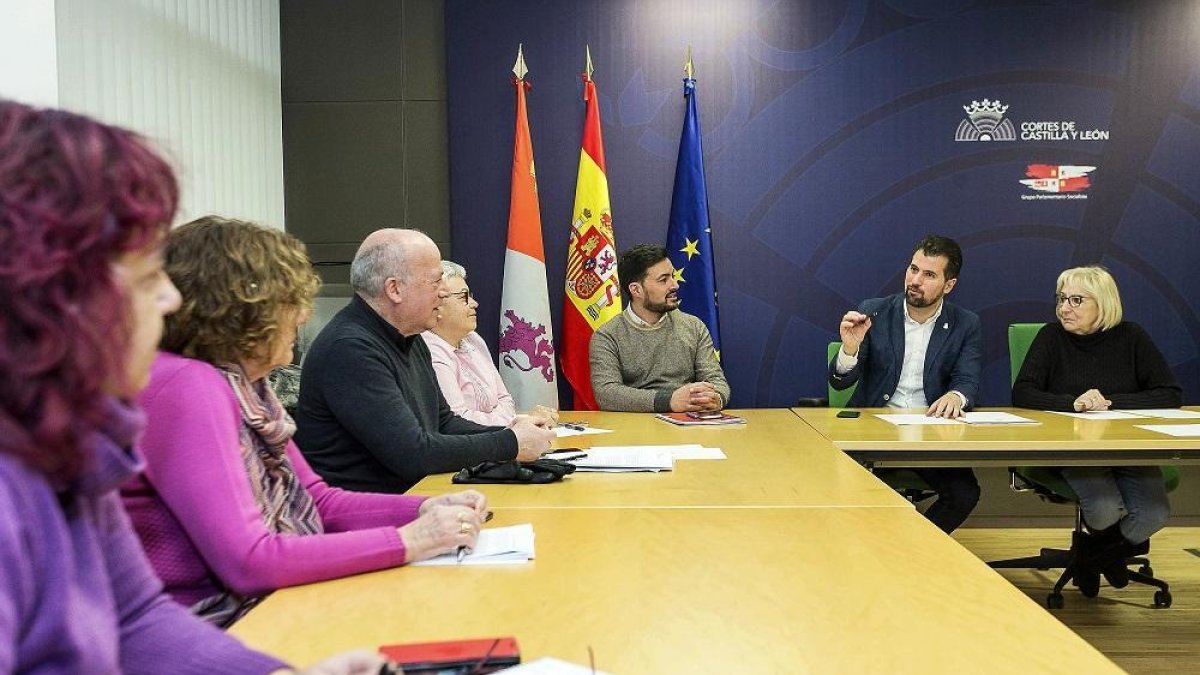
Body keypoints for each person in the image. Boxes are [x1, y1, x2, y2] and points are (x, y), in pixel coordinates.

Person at [0, 101, 380, 674]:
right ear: (49, 294)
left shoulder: (71, 442)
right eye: (146, 277)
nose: (169, 298)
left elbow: (135, 618)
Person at [122, 217, 491, 626]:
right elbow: (250, 561)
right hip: (220, 622)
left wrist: (424, 508)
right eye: (292, 300)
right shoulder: (189, 385)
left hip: (267, 605)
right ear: (244, 309)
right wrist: (410, 540)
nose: (302, 317)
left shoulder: (247, 384)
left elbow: (319, 500)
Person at [296, 229, 554, 493]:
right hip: (367, 516)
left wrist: (512, 431)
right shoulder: (351, 350)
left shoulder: (411, 338)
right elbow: (413, 454)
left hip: (417, 499)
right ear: (394, 289)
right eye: (436, 281)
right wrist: (510, 443)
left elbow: (444, 423)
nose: (443, 293)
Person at [1012, 265, 1181, 592]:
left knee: (1154, 513)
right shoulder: (1051, 337)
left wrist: (1111, 402)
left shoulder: (1132, 337)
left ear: (1103, 305)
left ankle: (1093, 555)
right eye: (1062, 299)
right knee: (1103, 509)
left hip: (1129, 449)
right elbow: (1023, 392)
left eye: (1076, 300)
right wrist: (1072, 403)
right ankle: (1109, 555)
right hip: (1076, 451)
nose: (1065, 308)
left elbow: (1169, 393)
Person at [828, 234, 982, 534]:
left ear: (949, 285)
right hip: (875, 431)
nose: (915, 280)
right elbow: (840, 379)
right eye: (913, 269)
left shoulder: (966, 323)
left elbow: (968, 380)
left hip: (932, 435)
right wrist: (849, 350)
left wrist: (956, 395)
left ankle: (914, 548)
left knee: (965, 494)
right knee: (847, 489)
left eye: (929, 274)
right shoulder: (875, 311)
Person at [589, 244, 730, 412]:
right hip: (634, 428)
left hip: (689, 424)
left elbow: (716, 380)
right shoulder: (607, 336)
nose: (675, 285)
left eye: (672, 276)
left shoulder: (694, 327)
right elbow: (607, 394)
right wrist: (668, 401)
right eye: (663, 280)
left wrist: (716, 398)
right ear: (636, 290)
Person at [422, 260, 557, 426]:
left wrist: (514, 421)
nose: (474, 304)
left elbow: (505, 399)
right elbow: (456, 420)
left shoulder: (473, 339)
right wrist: (516, 422)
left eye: (470, 296)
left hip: (495, 440)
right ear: (437, 305)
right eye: (464, 297)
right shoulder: (428, 351)